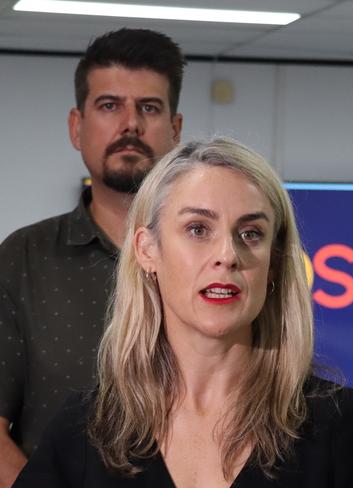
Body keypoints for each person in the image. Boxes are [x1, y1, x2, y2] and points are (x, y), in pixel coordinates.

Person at [13, 137, 353, 487]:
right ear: (148, 250)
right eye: (198, 229)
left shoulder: (338, 425)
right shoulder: (88, 428)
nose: (228, 255)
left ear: (276, 261)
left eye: (250, 233)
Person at [0, 28, 184, 486]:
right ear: (76, 127)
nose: (130, 125)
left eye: (149, 107)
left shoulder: (212, 257)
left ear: (175, 130)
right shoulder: (22, 259)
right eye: (109, 106)